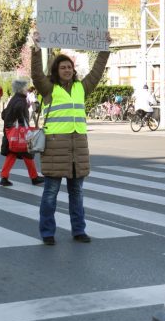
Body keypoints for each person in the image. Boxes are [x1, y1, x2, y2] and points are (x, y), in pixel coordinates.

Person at [30, 29, 111, 245]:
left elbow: (97, 71)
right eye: (63, 67)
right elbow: (37, 74)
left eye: (70, 67)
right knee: (50, 194)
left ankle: (79, 230)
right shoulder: (49, 89)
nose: (67, 70)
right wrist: (36, 49)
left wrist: (104, 49)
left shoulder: (80, 88)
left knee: (77, 194)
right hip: (55, 149)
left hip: (78, 150)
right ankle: (47, 233)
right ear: (56, 70)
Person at [0, 79, 45, 187]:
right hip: (19, 133)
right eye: (25, 88)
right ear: (21, 89)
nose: (27, 90)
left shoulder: (14, 99)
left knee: (12, 153)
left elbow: (3, 114)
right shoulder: (20, 101)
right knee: (27, 152)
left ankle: (4, 177)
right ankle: (34, 178)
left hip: (11, 132)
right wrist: (22, 121)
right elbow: (19, 111)